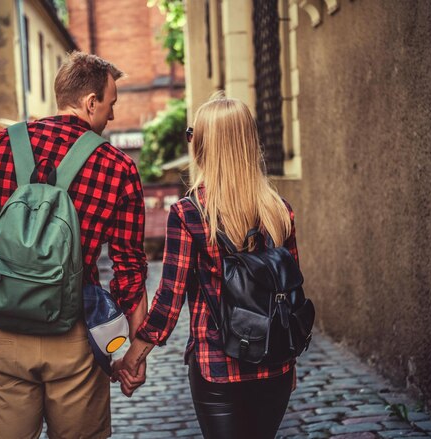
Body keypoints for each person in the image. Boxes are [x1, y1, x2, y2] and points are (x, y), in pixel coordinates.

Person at [0, 51, 148, 439]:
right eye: (110, 105)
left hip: (2, 334)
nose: (111, 116)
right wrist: (132, 353)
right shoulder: (117, 167)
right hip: (73, 338)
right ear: (91, 102)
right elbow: (129, 271)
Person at [115, 94, 299, 438]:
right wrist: (291, 363)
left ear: (201, 144)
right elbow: (289, 296)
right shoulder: (279, 210)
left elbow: (169, 299)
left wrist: (134, 357)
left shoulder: (190, 213)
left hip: (217, 365)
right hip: (274, 363)